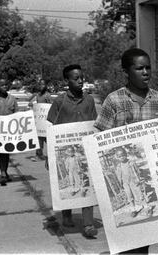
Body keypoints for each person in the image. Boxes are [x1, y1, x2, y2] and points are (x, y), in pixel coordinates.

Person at [94, 48, 158, 254]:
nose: (146, 72)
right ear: (126, 72)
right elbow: (99, 139)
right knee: (128, 238)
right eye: (139, 68)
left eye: (148, 68)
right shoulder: (114, 100)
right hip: (123, 170)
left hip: (151, 173)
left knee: (146, 235)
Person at [47, 64, 98, 238]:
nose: (80, 81)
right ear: (66, 81)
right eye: (75, 79)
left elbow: (94, 124)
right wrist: (49, 154)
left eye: (81, 78)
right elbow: (51, 127)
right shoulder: (60, 101)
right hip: (66, 152)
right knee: (68, 181)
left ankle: (89, 223)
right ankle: (67, 215)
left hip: (85, 150)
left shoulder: (89, 100)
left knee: (87, 183)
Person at [0, 78, 18, 186]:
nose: (4, 87)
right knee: (2, 152)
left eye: (6, 85)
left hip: (10, 131)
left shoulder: (12, 99)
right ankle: (2, 174)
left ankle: (5, 172)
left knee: (7, 152)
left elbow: (17, 113)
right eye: (2, 85)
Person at [115, 147, 152, 217]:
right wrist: (121, 185)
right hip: (126, 183)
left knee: (140, 194)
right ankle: (133, 209)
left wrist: (139, 180)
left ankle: (147, 207)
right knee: (129, 196)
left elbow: (137, 171)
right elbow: (119, 177)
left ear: (126, 155)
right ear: (117, 157)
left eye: (123, 155)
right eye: (119, 156)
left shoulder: (131, 163)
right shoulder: (119, 166)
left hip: (134, 181)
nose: (122, 157)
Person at [29, 80, 52, 162]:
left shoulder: (47, 95)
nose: (41, 86)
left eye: (43, 84)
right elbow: (31, 102)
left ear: (46, 85)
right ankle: (39, 155)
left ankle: (52, 155)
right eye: (40, 84)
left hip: (45, 121)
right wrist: (32, 104)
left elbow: (50, 107)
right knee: (39, 139)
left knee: (47, 139)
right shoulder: (38, 95)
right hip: (39, 121)